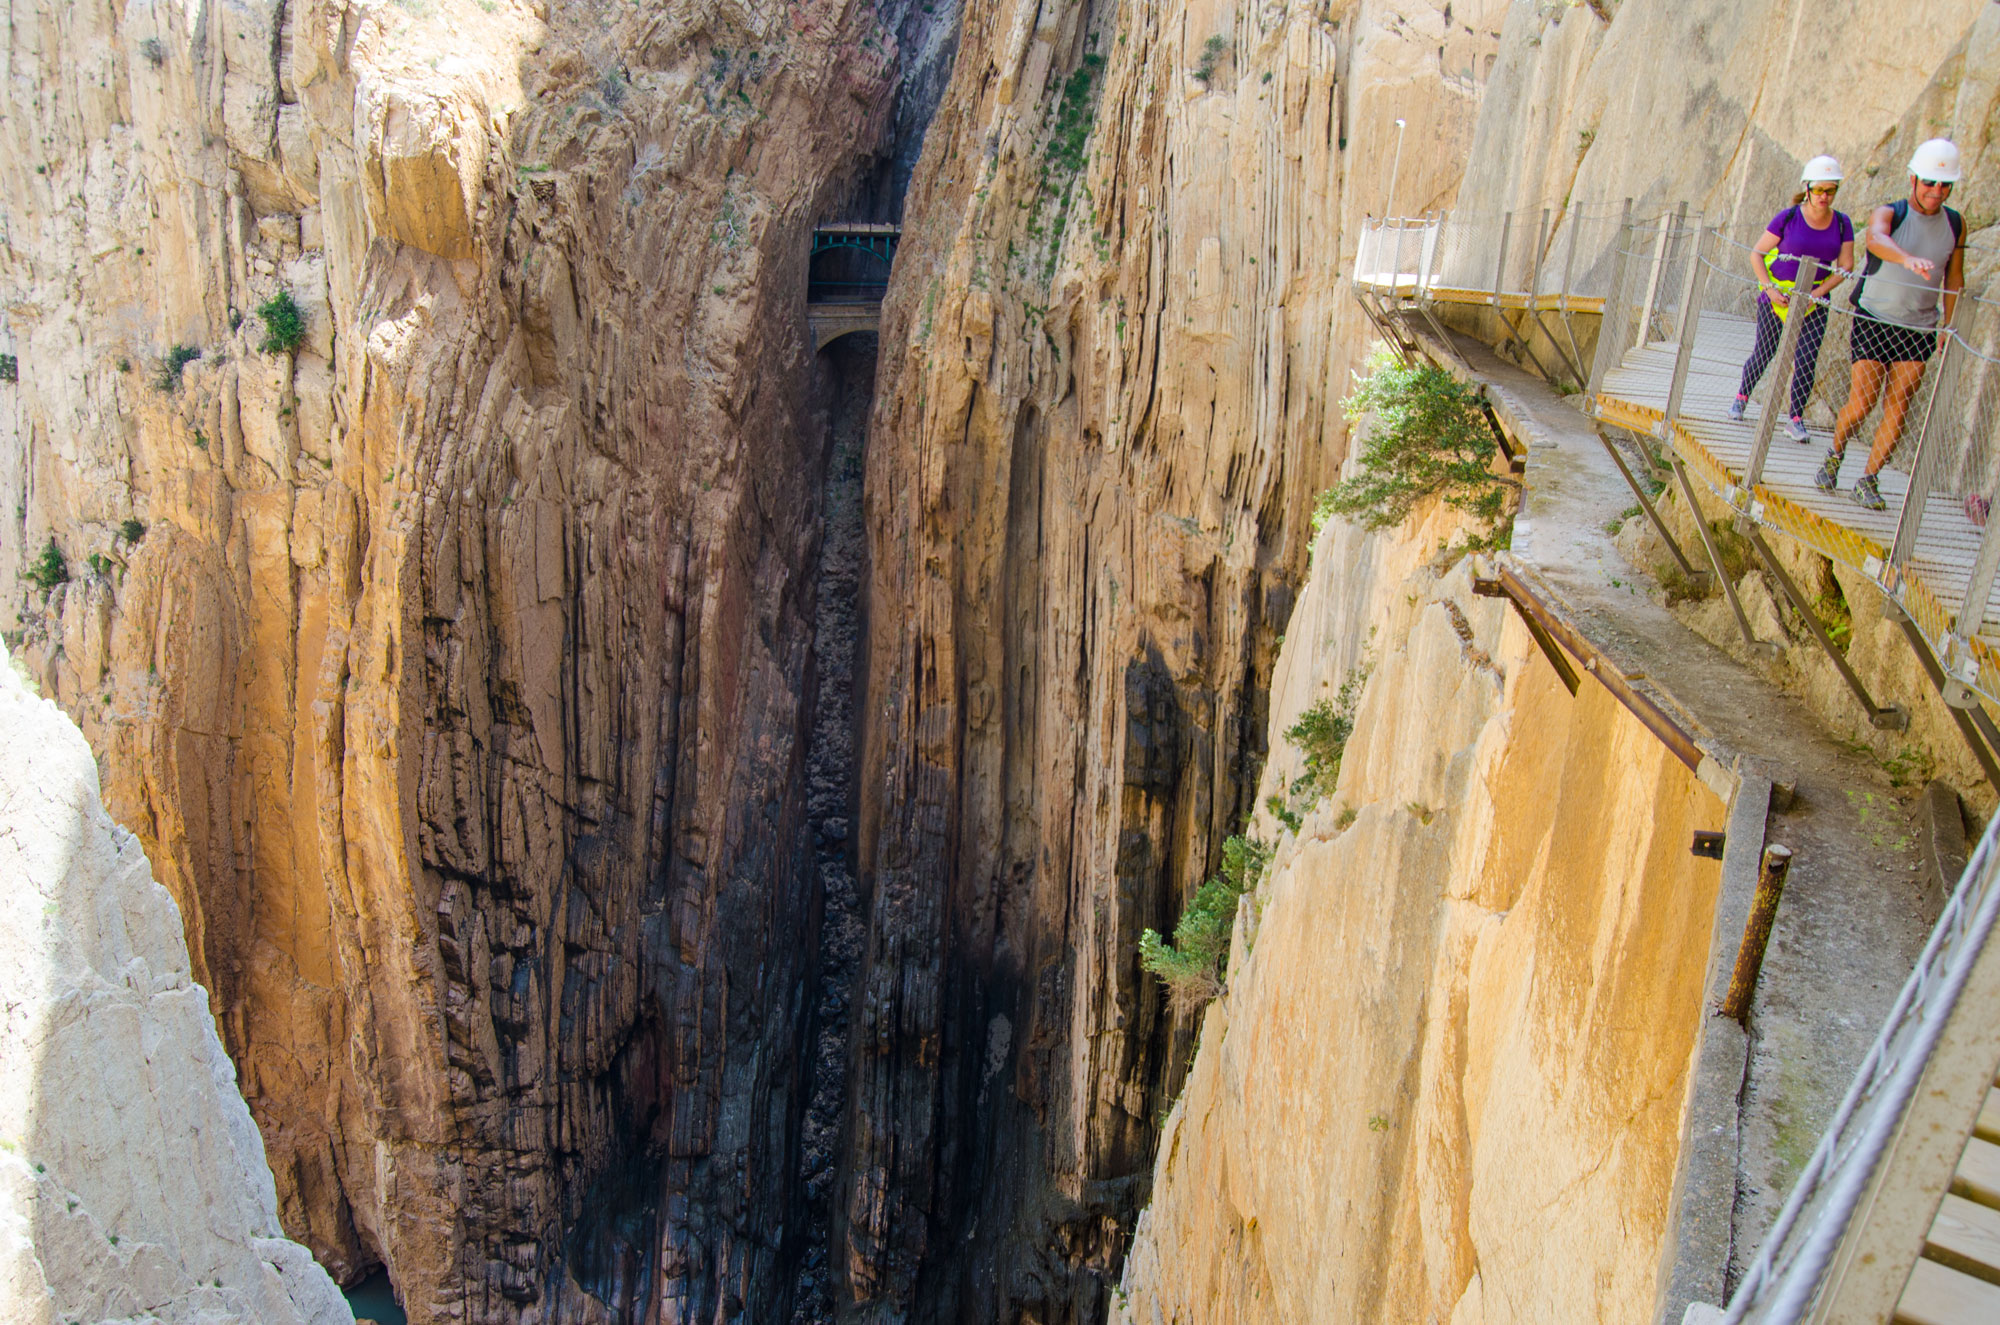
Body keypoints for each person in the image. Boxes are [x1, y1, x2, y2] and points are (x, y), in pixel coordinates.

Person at [1814, 139, 1967, 510]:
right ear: (1913, 178)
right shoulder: (1891, 213)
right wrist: (1907, 258)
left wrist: (1951, 325)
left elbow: (1954, 277)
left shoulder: (1955, 223)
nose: (1937, 191)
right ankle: (1835, 454)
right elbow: (1876, 240)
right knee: (1863, 402)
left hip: (1919, 327)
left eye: (1945, 185)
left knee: (1898, 406)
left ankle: (1868, 479)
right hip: (1874, 318)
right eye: (1930, 182)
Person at [1728, 156, 1854, 441]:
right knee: (1765, 352)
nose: (1824, 196)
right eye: (1819, 189)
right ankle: (1741, 397)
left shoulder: (1843, 224)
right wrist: (1769, 288)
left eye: (1830, 190)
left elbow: (1846, 267)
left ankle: (1795, 418)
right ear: (1807, 188)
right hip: (1777, 297)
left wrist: (1816, 294)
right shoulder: (1788, 217)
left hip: (1814, 300)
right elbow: (1757, 253)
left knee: (1806, 359)